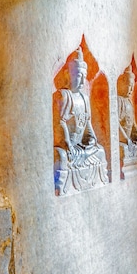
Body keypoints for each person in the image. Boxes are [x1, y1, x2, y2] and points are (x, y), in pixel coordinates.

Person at [53, 49, 110, 193]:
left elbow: (87, 123)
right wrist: (68, 143)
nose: (83, 81)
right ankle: (63, 187)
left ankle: (100, 179)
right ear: (68, 74)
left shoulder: (85, 98)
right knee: (62, 157)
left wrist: (91, 139)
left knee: (100, 152)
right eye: (79, 76)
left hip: (82, 147)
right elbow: (60, 122)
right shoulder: (64, 96)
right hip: (69, 146)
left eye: (84, 76)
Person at [116, 70, 137, 172]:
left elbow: (132, 122)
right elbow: (116, 123)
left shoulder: (129, 101)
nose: (132, 89)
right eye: (129, 85)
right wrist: (126, 139)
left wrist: (136, 134)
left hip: (130, 139)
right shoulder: (119, 100)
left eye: (133, 86)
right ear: (121, 84)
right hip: (123, 140)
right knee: (125, 149)